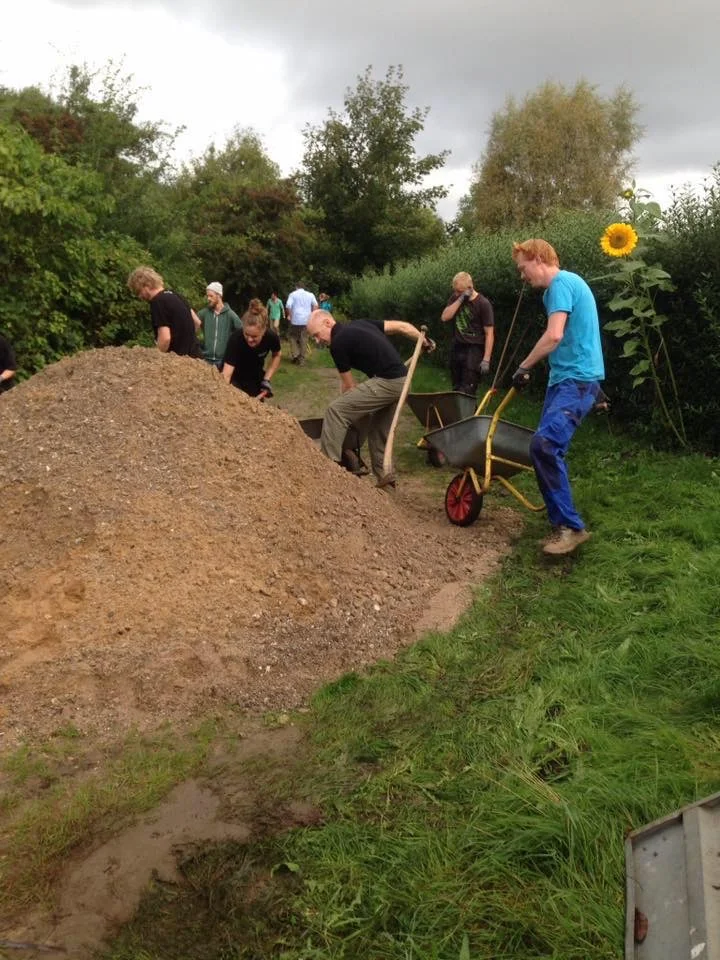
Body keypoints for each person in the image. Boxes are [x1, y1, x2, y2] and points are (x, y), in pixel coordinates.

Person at [510, 238, 605, 557]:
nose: (522, 276)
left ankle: (571, 528)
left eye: (523, 268)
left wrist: (524, 366)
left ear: (538, 258)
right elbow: (578, 335)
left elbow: (554, 335)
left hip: (575, 381)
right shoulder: (558, 289)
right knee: (542, 447)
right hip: (567, 380)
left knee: (545, 445)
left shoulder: (561, 284)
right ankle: (561, 525)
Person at [306, 310, 435, 486]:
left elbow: (349, 387)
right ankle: (385, 481)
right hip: (403, 382)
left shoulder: (338, 343)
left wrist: (350, 407)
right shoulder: (361, 323)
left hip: (389, 382)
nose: (317, 340)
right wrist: (424, 341)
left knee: (335, 411)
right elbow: (402, 327)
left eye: (316, 335)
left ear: (328, 323)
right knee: (377, 432)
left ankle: (328, 472)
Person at [440, 271, 495, 395]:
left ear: (470, 287)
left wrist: (486, 359)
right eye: (455, 291)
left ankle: (468, 408)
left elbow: (489, 333)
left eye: (459, 291)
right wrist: (460, 299)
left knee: (467, 390)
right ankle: (456, 408)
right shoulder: (455, 298)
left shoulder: (483, 304)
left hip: (474, 350)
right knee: (456, 388)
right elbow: (444, 317)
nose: (456, 294)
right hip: (457, 347)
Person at [127, 267, 202, 357]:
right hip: (196, 356)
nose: (139, 296)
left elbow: (165, 338)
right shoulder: (176, 295)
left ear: (147, 286)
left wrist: (155, 357)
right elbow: (197, 322)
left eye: (138, 292)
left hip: (178, 359)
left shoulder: (157, 302)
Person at [222, 303, 281, 399]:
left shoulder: (271, 337)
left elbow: (277, 355)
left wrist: (266, 379)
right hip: (235, 377)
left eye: (254, 336)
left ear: (263, 331)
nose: (249, 339)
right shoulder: (235, 339)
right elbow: (226, 375)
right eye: (246, 334)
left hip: (255, 377)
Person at [197, 281, 241, 368]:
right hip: (205, 360)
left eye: (211, 296)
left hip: (223, 361)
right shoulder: (204, 313)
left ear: (219, 295)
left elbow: (242, 332)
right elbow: (190, 326)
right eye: (207, 296)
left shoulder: (230, 315)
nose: (208, 298)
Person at [285, 283, 318, 365]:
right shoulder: (310, 294)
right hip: (306, 320)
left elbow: (288, 305)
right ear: (304, 287)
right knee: (304, 339)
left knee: (292, 337)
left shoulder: (292, 294)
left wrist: (290, 315)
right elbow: (316, 305)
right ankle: (302, 359)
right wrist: (312, 316)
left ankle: (296, 355)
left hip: (295, 320)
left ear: (296, 287)